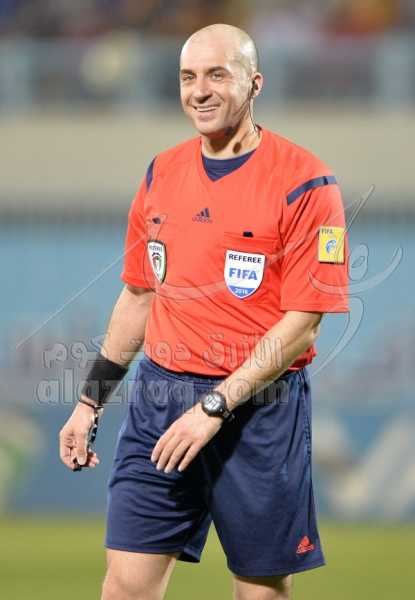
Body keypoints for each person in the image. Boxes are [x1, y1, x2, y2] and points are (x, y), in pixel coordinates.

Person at [60, 23, 349, 600]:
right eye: (188, 77)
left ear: (254, 84)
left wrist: (215, 405)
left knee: (259, 592)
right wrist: (89, 402)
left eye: (218, 74)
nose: (199, 91)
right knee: (124, 587)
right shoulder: (160, 174)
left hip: (259, 409)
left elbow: (303, 324)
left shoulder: (306, 183)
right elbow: (139, 297)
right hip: (159, 401)